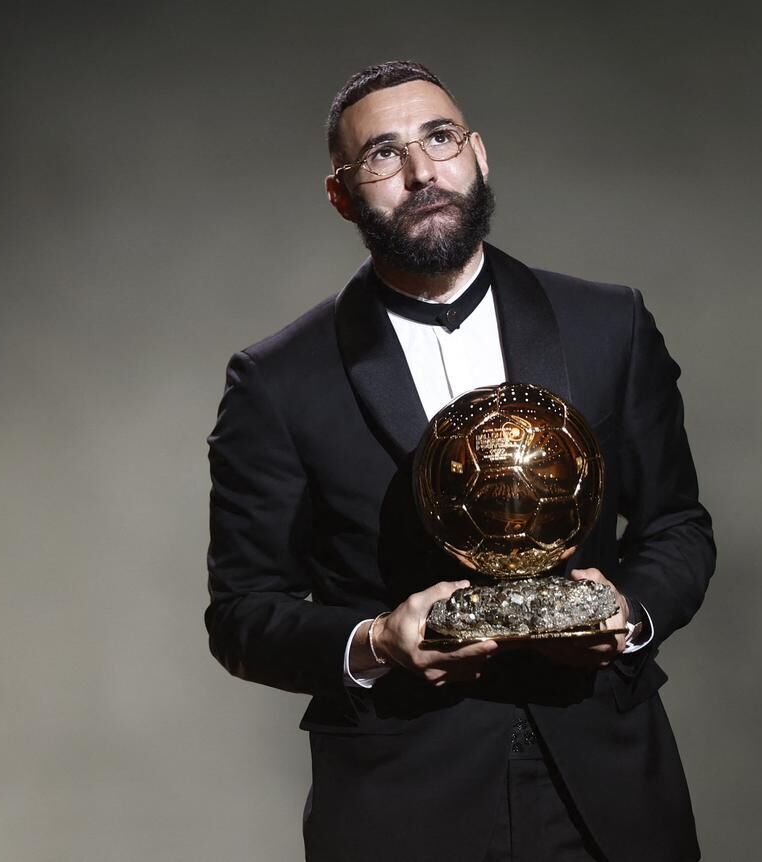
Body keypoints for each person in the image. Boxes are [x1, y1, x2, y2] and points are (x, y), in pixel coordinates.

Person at [205, 60, 715, 862]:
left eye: (439, 139)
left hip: (608, 789)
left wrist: (628, 617)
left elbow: (678, 526)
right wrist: (376, 640)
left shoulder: (607, 324)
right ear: (341, 194)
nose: (421, 173)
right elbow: (242, 613)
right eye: (383, 154)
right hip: (400, 802)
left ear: (477, 153)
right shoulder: (277, 380)